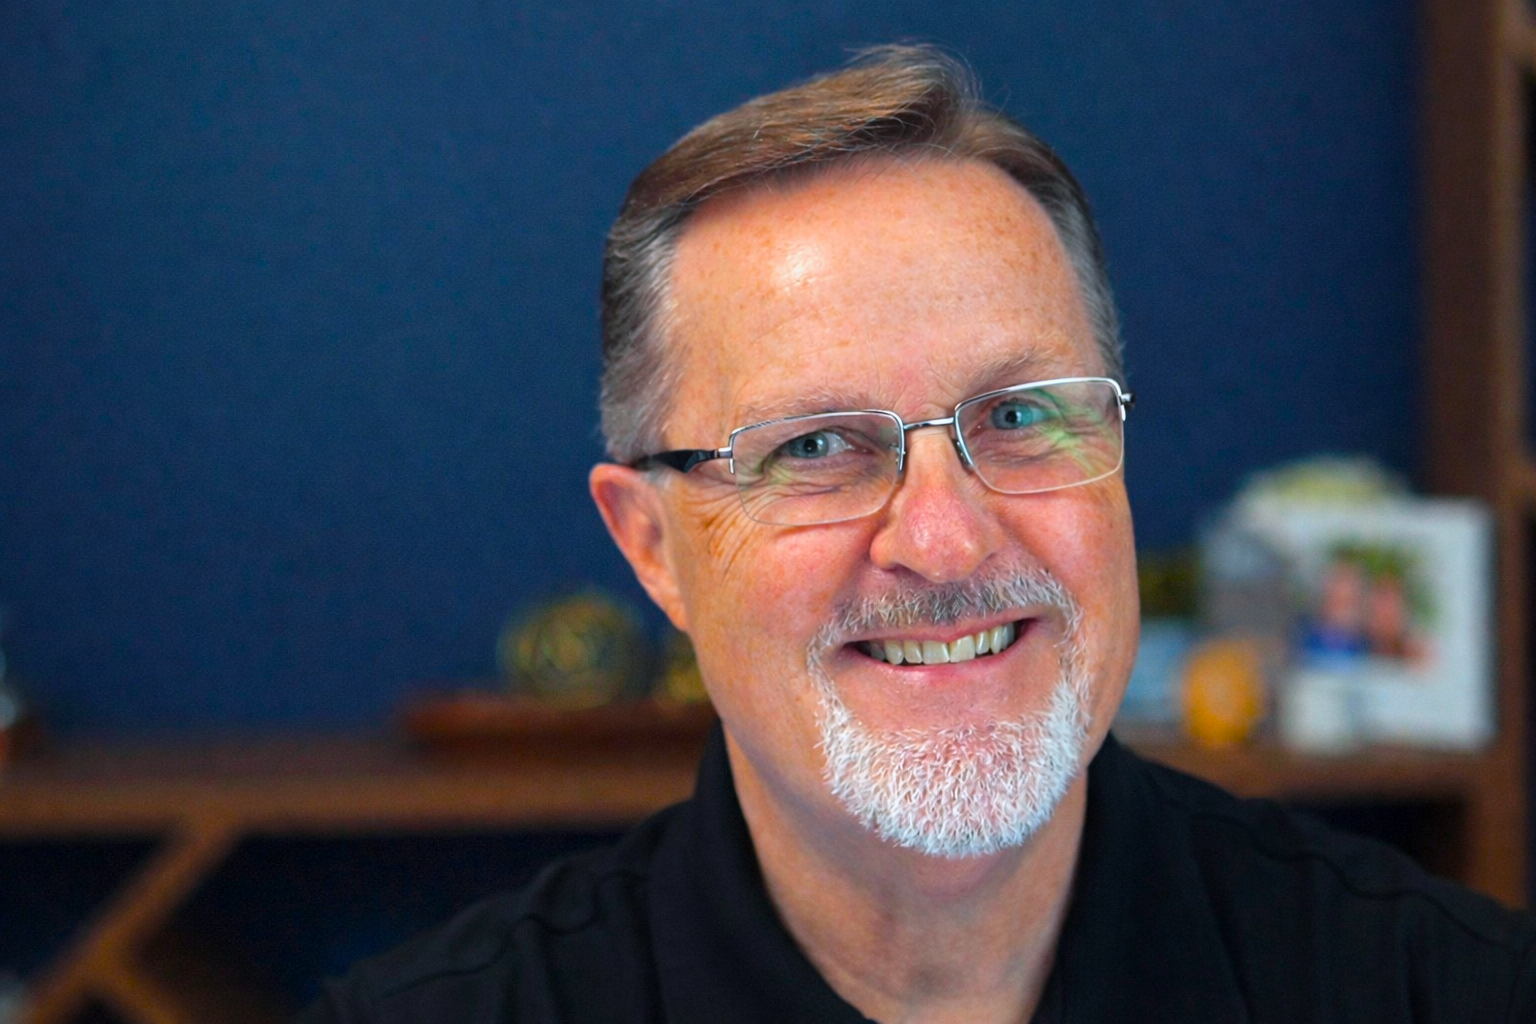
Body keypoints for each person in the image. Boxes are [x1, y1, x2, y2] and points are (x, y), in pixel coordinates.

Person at [299, 45, 1536, 1023]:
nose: (943, 542)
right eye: (817, 447)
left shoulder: (1449, 989)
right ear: (654, 548)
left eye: (1019, 416)